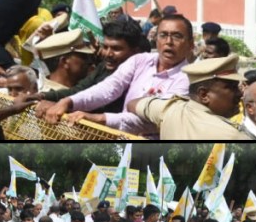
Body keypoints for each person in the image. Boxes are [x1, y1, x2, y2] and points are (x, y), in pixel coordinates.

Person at [40, 14, 194, 136]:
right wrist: (68, 102)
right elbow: (107, 89)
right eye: (163, 35)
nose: (169, 42)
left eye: (177, 36)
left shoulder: (189, 80)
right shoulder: (139, 61)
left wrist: (100, 118)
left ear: (191, 44)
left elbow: (156, 120)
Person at [126, 53, 253, 140]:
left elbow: (133, 104)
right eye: (231, 87)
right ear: (204, 95)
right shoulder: (233, 136)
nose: (239, 93)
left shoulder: (169, 110)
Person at [36, 17, 146, 113]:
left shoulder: (141, 80)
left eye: (116, 49)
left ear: (135, 52)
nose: (108, 54)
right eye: (105, 47)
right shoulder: (103, 68)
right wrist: (41, 96)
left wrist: (62, 106)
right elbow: (78, 91)